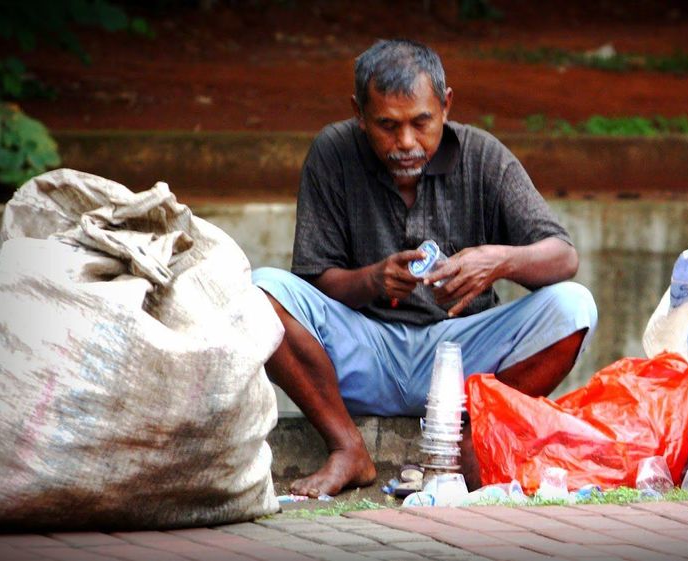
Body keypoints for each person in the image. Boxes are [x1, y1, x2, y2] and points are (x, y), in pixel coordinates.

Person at [252, 38, 597, 497]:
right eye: (387, 126)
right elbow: (315, 281)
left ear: (446, 105)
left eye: (421, 122)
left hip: (461, 360)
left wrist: (497, 262)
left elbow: (564, 257)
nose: (406, 143)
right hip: (364, 349)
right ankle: (347, 448)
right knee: (261, 292)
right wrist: (372, 280)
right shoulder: (333, 152)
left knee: (574, 307)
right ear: (359, 114)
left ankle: (472, 438)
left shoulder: (483, 156)